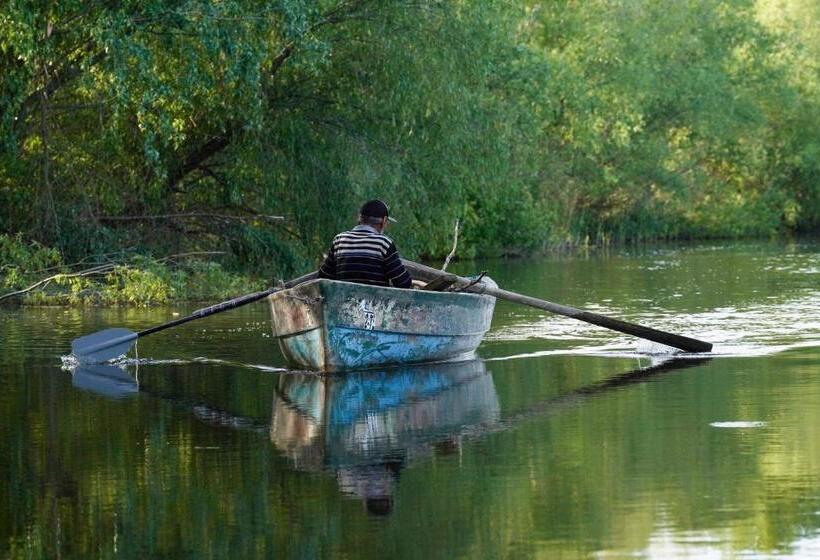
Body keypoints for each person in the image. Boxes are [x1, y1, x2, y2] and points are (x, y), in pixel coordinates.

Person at [318, 199, 412, 288]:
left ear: (360, 218)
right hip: (375, 300)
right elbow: (403, 282)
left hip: (343, 298)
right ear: (384, 220)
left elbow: (324, 276)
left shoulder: (339, 240)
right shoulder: (384, 243)